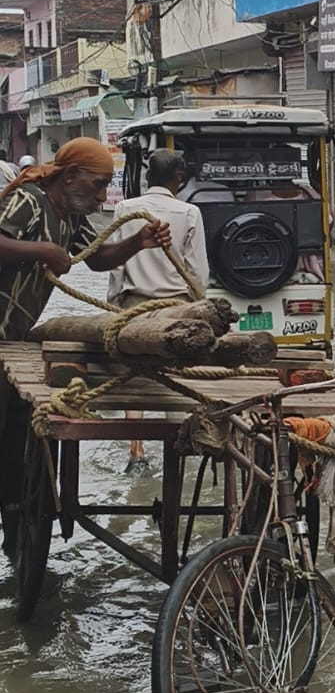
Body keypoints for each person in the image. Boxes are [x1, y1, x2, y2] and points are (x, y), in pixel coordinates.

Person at [0, 139, 172, 556]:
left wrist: (139, 242)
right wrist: (41, 249)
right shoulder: (28, 200)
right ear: (69, 175)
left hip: (12, 338)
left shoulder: (70, 218)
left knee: (20, 427)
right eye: (97, 186)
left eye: (105, 187)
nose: (100, 196)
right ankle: (12, 511)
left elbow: (96, 259)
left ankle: (17, 519)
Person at [107, 148, 209, 472]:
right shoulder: (189, 213)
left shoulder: (126, 208)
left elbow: (116, 264)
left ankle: (135, 452)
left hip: (133, 306)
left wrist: (113, 307)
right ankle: (175, 452)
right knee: (174, 378)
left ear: (147, 176)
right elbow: (197, 273)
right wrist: (197, 309)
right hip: (175, 309)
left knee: (132, 376)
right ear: (178, 178)